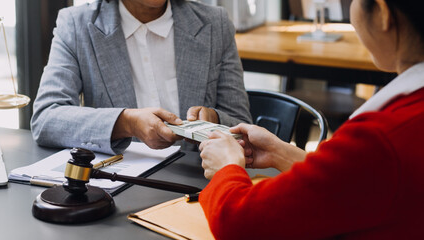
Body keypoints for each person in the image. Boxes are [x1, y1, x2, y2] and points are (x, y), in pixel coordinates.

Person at [198, 0, 424, 239]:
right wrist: (281, 153)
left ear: (382, 12)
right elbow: (355, 183)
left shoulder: (379, 137)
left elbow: (238, 222)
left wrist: (226, 168)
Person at [30, 0, 251, 155]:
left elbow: (243, 126)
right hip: (118, 185)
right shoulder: (77, 25)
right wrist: (126, 123)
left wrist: (213, 120)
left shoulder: (215, 23)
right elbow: (46, 119)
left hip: (199, 183)